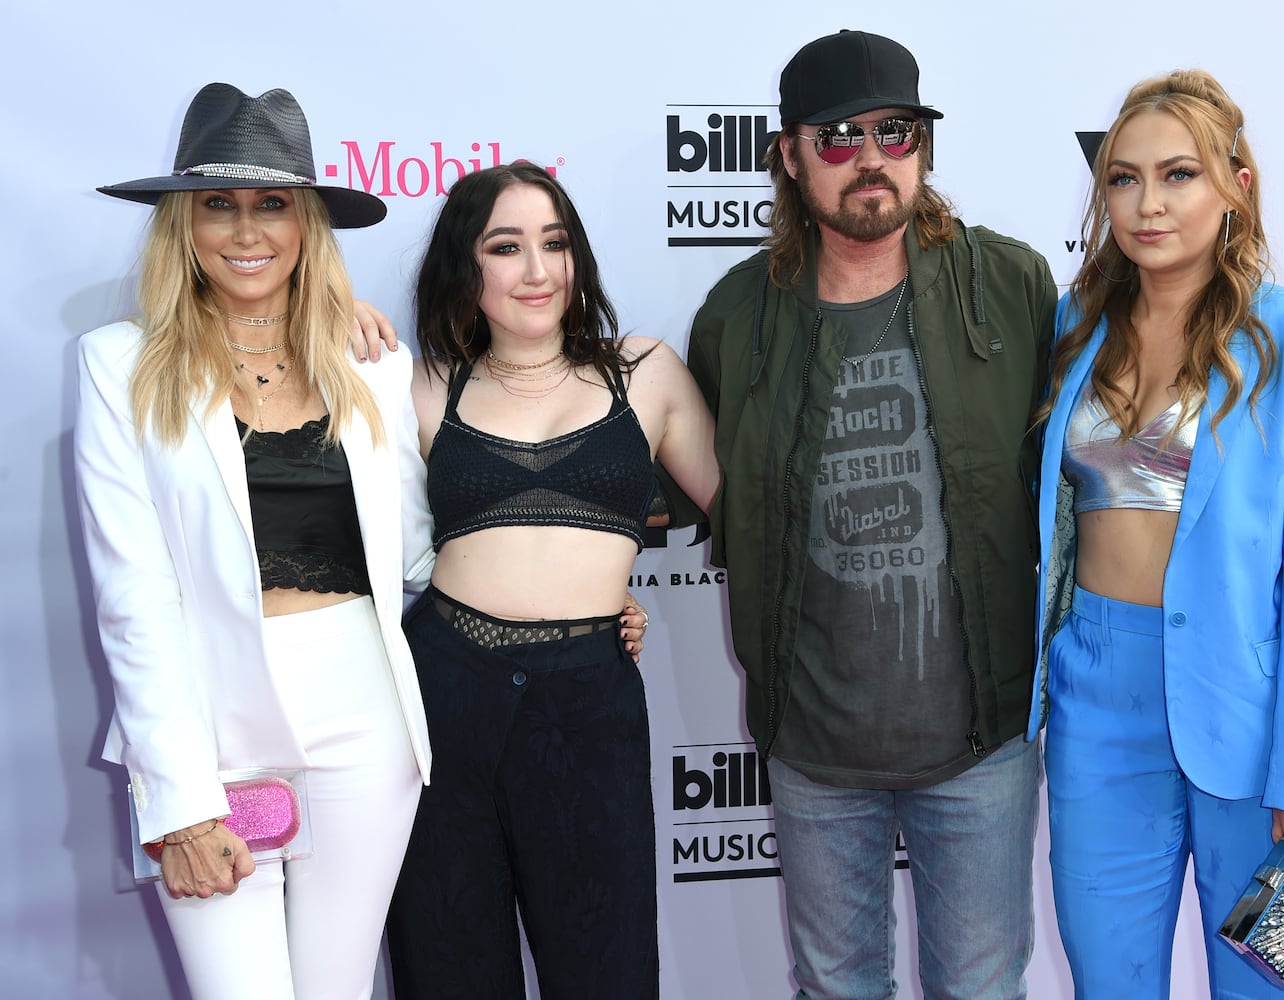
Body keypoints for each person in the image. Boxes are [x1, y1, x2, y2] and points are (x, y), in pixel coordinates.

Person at [686, 29, 1055, 1000]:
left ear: (923, 146)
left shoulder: (1009, 286)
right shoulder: (736, 316)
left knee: (979, 988)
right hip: (815, 747)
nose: (869, 158)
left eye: (894, 132)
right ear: (789, 154)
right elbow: (693, 470)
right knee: (834, 987)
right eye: (838, 137)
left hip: (979, 738)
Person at [75, 83, 431, 1000]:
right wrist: (181, 799)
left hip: (364, 715)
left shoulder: (373, 364)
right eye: (217, 205)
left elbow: (414, 558)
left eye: (273, 203)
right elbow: (133, 597)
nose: (247, 231)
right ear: (181, 225)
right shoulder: (120, 366)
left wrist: (581, 595)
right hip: (211, 721)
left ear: (307, 221)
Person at [1029, 69, 1284, 999]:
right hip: (1097, 702)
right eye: (1124, 179)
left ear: (1235, 186)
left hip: (1255, 723)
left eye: (1178, 175)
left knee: (1274, 984)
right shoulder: (1072, 326)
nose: (1148, 204)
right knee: (1110, 980)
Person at [383, 162, 719, 1000]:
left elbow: (752, 519)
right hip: (443, 696)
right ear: (468, 266)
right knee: (447, 963)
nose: (537, 270)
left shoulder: (645, 370)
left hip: (588, 702)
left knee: (604, 968)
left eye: (555, 243)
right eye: (507, 246)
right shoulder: (416, 385)